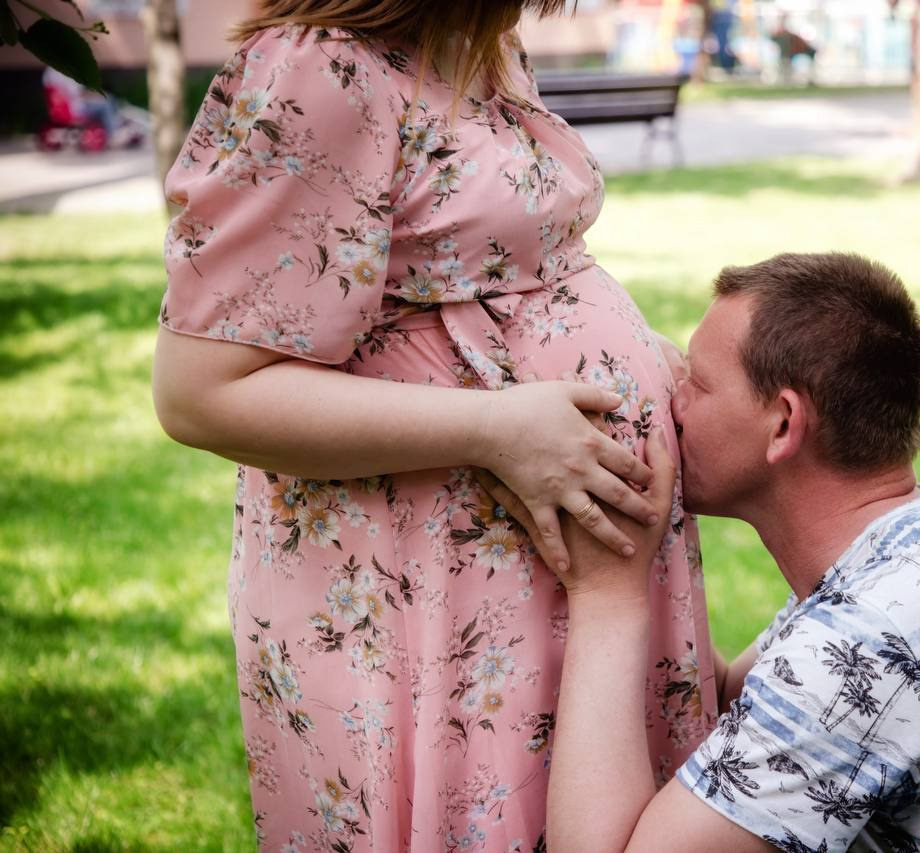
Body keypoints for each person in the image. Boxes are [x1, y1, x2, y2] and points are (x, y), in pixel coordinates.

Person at [150, 1, 717, 849]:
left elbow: (488, 276)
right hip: (430, 584)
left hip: (566, 563)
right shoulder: (319, 68)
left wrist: (636, 353)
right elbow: (201, 390)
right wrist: (497, 429)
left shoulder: (480, 43)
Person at [488, 252, 920, 851]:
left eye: (695, 381)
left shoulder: (860, 648)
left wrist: (609, 596)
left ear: (783, 422)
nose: (669, 399)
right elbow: (741, 706)